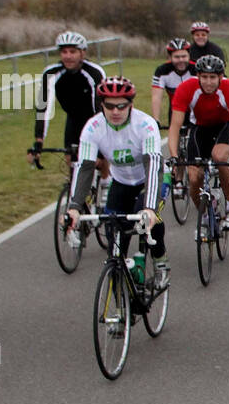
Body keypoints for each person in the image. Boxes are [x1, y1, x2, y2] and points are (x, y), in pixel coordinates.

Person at [65, 77, 168, 288]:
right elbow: (84, 167)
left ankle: (160, 263)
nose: (115, 111)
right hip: (121, 181)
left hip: (151, 179)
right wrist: (74, 207)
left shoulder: (145, 124)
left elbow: (153, 164)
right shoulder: (93, 127)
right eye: (109, 106)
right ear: (101, 104)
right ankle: (124, 279)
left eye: (121, 105)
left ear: (131, 104)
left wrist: (149, 207)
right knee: (115, 233)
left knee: (149, 219)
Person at [168, 55, 229, 231]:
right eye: (204, 77)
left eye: (213, 77)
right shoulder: (186, 88)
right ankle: (204, 213)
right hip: (200, 129)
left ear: (220, 77)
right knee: (194, 176)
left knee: (219, 156)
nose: (208, 82)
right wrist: (174, 156)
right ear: (198, 77)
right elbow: (174, 127)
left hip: (224, 127)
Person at [30, 30, 106, 166]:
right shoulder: (51, 73)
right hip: (73, 120)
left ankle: (106, 183)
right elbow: (43, 108)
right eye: (64, 52)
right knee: (70, 161)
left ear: (82, 53)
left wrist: (101, 143)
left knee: (99, 161)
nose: (68, 56)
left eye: (72, 52)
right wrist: (39, 140)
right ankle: (74, 185)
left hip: (95, 118)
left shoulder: (94, 72)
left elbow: (99, 107)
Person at [151, 38, 195, 126]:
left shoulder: (196, 69)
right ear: (170, 57)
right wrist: (156, 119)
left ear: (189, 56)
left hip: (196, 109)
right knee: (174, 137)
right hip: (176, 109)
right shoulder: (162, 71)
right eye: (177, 57)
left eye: (184, 56)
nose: (181, 60)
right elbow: (156, 97)